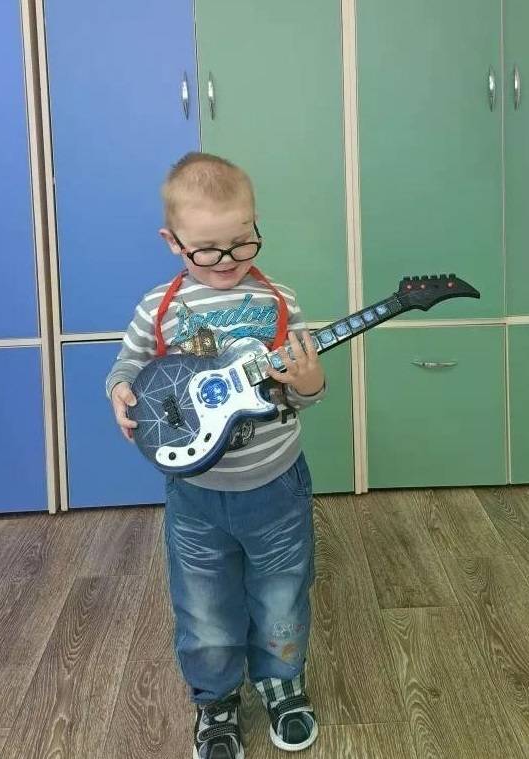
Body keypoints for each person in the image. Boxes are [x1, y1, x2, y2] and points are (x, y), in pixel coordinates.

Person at [106, 152, 326, 758]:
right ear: (172, 242)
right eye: (206, 249)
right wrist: (120, 391)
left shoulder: (280, 303)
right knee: (203, 603)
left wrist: (309, 383)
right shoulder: (158, 307)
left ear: (255, 223)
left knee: (282, 592)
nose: (228, 260)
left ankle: (282, 684)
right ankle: (216, 700)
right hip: (196, 496)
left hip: (277, 484)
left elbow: (301, 393)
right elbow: (128, 366)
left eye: (243, 241)